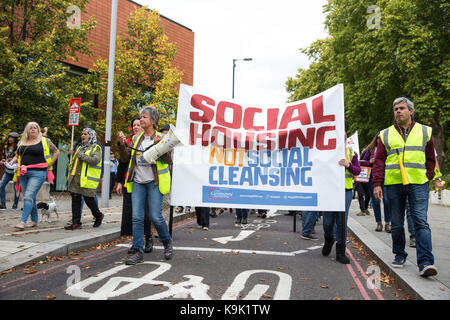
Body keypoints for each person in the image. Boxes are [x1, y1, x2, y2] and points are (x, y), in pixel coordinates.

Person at [373, 97, 438, 277]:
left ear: (411, 111)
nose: (398, 111)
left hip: (418, 182)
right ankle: (399, 254)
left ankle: (425, 262)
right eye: (395, 109)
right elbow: (379, 161)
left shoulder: (425, 131)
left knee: (420, 221)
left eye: (401, 108)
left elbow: (431, 158)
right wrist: (377, 184)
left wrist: (429, 175)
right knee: (396, 222)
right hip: (394, 183)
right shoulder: (385, 134)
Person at [118, 106, 173, 265]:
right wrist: (122, 145)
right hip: (137, 182)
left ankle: (166, 241)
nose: (140, 120)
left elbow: (169, 160)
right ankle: (137, 251)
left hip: (154, 183)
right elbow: (125, 159)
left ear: (153, 121)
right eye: (140, 117)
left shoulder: (161, 138)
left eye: (144, 117)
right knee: (137, 217)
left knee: (155, 216)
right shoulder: (136, 139)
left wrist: (160, 146)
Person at [11, 122, 60, 230]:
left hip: (38, 173)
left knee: (27, 196)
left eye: (35, 128)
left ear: (38, 130)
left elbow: (56, 152)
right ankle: (34, 221)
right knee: (30, 197)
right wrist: (12, 162)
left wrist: (50, 164)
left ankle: (22, 222)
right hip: (23, 173)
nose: (33, 129)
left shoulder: (44, 140)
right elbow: (17, 155)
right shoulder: (22, 142)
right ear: (27, 131)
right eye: (30, 128)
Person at [116, 117, 154, 254]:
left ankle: (148, 237)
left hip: (146, 181)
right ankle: (136, 243)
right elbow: (123, 162)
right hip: (130, 181)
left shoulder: (149, 140)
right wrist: (119, 182)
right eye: (134, 125)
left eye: (138, 125)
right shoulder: (128, 142)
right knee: (132, 213)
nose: (136, 127)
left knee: (145, 212)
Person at [322, 142, 360, 264]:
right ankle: (328, 239)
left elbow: (357, 171)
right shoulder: (324, 151)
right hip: (329, 190)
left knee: (341, 221)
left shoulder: (351, 152)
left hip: (345, 191)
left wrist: (348, 165)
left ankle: (340, 252)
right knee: (327, 221)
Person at [65, 128, 104, 230]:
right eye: (82, 134)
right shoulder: (79, 147)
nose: (83, 136)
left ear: (90, 136)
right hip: (75, 178)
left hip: (86, 179)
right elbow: (73, 163)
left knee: (89, 200)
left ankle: (98, 215)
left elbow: (95, 160)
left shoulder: (96, 147)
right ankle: (76, 222)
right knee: (75, 201)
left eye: (85, 134)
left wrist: (80, 155)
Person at [360, 134, 391, 232]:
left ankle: (388, 223)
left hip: (386, 177)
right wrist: (370, 161)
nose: (380, 139)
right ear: (376, 139)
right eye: (378, 138)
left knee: (387, 200)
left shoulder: (389, 149)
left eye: (382, 138)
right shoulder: (370, 150)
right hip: (373, 179)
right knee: (376, 201)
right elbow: (361, 162)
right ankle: (379, 223)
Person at [0, 132, 20, 210]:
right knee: (1, 186)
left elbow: (20, 158)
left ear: (15, 139)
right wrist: (2, 161)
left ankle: (15, 205)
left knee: (16, 189)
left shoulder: (18, 147)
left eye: (12, 137)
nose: (10, 139)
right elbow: (4, 158)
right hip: (7, 171)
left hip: (16, 171)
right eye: (9, 137)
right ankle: (3, 205)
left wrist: (13, 160)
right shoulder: (6, 148)